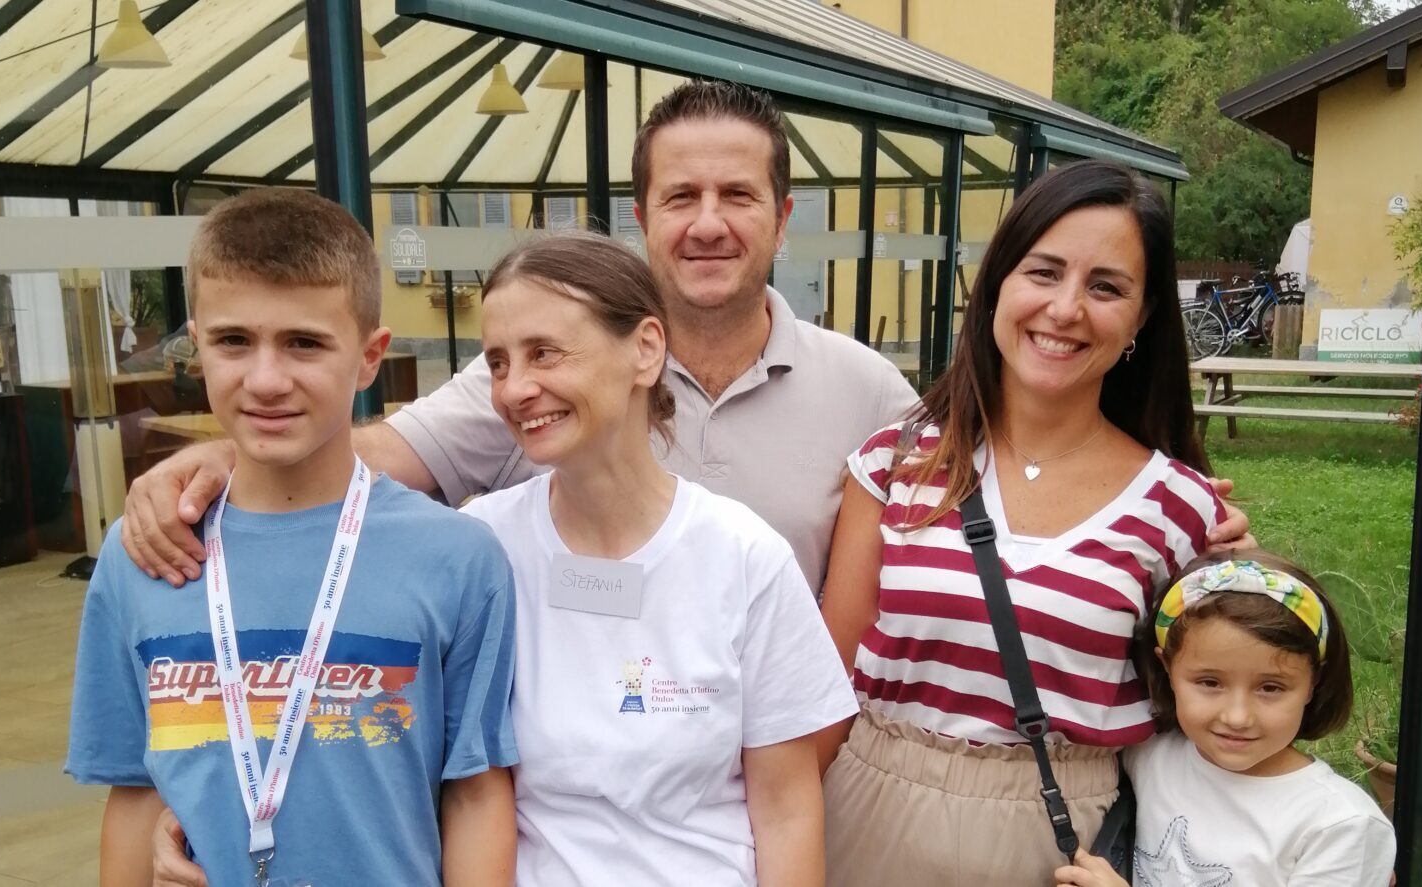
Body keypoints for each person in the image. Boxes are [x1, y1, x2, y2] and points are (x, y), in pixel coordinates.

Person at [119, 79, 922, 597]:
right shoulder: (541, 383)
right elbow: (380, 453)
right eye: (681, 196)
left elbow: (927, 586)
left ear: (782, 219)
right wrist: (229, 459)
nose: (708, 224)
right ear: (643, 219)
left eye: (737, 195)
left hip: (788, 768)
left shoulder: (870, 393)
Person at [65, 189, 518, 887]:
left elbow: (476, 793)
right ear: (198, 346)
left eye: (304, 343)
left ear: (369, 358)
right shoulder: (146, 554)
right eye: (233, 341)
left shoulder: (457, 558)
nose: (266, 380)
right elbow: (133, 790)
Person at [816, 160, 1229, 886]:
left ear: (1142, 319)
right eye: (1044, 272)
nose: (1066, 309)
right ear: (998, 284)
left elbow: (1219, 715)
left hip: (1066, 846)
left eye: (1106, 287)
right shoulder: (895, 463)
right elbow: (824, 687)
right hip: (869, 820)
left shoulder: (1183, 510)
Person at [462, 231, 859, 885]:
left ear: (645, 349)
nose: (514, 389)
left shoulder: (744, 558)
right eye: (498, 363)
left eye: (544, 353)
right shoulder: (483, 548)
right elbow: (469, 794)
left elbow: (787, 809)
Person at [1056, 552, 1395, 887]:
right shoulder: (1150, 753)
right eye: (1209, 683)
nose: (1237, 717)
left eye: (1271, 687)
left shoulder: (1342, 825)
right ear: (1167, 668)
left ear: (1313, 684)